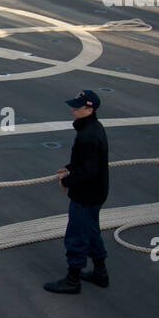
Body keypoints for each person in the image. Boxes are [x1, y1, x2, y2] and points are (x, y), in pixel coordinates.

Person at [45, 91, 110, 294]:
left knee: (76, 236)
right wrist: (70, 167)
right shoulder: (94, 128)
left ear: (89, 109)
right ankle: (100, 273)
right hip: (96, 192)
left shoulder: (88, 135)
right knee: (91, 232)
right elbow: (87, 162)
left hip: (86, 195)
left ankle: (73, 280)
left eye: (77, 107)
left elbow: (88, 170)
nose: (72, 109)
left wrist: (67, 180)